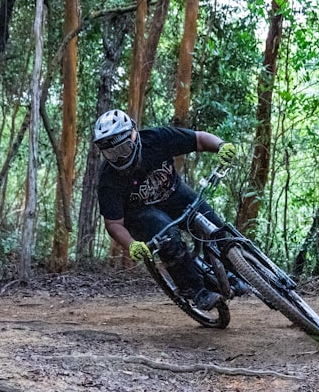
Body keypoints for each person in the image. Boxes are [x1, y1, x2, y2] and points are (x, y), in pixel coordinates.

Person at [93, 109, 238, 311]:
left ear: (134, 136)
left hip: (175, 194)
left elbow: (199, 140)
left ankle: (232, 272)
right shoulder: (108, 180)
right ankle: (196, 291)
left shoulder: (156, 139)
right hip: (140, 213)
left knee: (215, 227)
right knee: (168, 238)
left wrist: (221, 145)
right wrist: (132, 244)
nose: (119, 158)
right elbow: (113, 223)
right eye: (111, 153)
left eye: (123, 148)